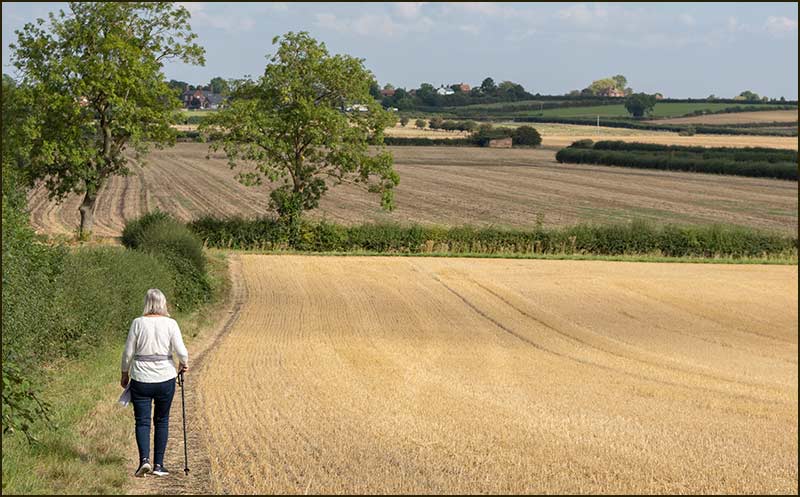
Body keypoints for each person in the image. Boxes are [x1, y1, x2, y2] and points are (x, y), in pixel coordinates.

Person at [121, 288, 188, 477]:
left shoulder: (137, 323)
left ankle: (144, 461)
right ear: (163, 303)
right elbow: (181, 351)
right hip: (165, 378)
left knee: (142, 422)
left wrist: (124, 373)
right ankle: (159, 465)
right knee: (162, 420)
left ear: (147, 303)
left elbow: (127, 353)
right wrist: (184, 363)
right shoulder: (171, 324)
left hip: (141, 378)